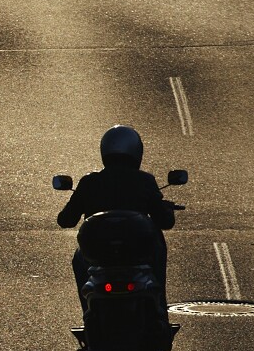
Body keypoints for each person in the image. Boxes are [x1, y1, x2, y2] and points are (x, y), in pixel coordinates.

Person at [57, 125, 174, 310]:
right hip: (136, 251)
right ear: (136, 152)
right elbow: (166, 221)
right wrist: (165, 209)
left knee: (79, 259)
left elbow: (66, 220)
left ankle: (88, 309)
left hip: (99, 254)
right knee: (158, 246)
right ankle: (159, 308)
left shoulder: (89, 182)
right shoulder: (145, 180)